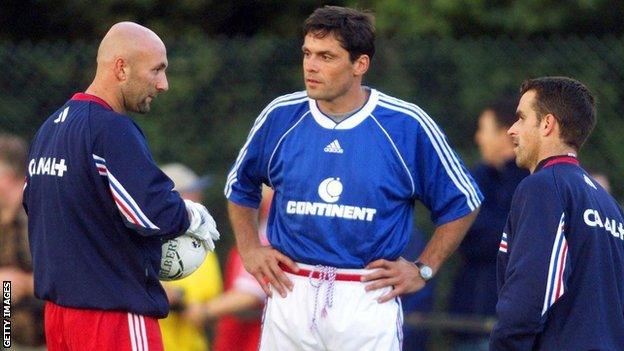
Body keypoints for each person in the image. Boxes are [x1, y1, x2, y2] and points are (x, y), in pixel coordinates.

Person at [224, 6, 482, 350]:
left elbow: (463, 202)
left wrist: (423, 268)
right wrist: (250, 249)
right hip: (289, 290)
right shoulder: (280, 115)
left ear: (360, 64)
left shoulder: (406, 125)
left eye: (326, 56)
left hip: (367, 294)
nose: (311, 66)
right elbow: (240, 186)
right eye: (307, 54)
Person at [23, 22, 219, 351]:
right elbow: (152, 214)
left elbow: (35, 206)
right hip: (112, 318)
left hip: (59, 319)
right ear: (121, 68)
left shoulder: (49, 130)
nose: (164, 84)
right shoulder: (110, 129)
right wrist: (194, 217)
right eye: (157, 70)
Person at [490, 77, 624, 350]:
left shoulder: (543, 186)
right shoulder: (610, 206)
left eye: (521, 118)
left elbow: (532, 291)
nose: (511, 130)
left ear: (547, 124)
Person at [448, 98, 528, 351]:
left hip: (512, 322)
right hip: (467, 317)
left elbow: (521, 240)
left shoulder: (531, 181)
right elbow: (460, 231)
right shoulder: (477, 177)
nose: (478, 138)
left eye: (484, 129)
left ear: (506, 134)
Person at [186, 186, 273, 351]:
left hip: (251, 340)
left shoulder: (270, 228)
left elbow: (251, 293)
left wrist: (204, 311)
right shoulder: (267, 225)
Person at [159, 163, 223, 351]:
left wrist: (205, 311)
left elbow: (210, 305)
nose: (199, 197)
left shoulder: (203, 244)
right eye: (191, 192)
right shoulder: (151, 241)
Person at [0, 134, 45, 350]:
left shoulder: (41, 215)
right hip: (13, 340)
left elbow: (75, 276)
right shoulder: (4, 218)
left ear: (7, 176)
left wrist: (25, 284)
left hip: (51, 338)